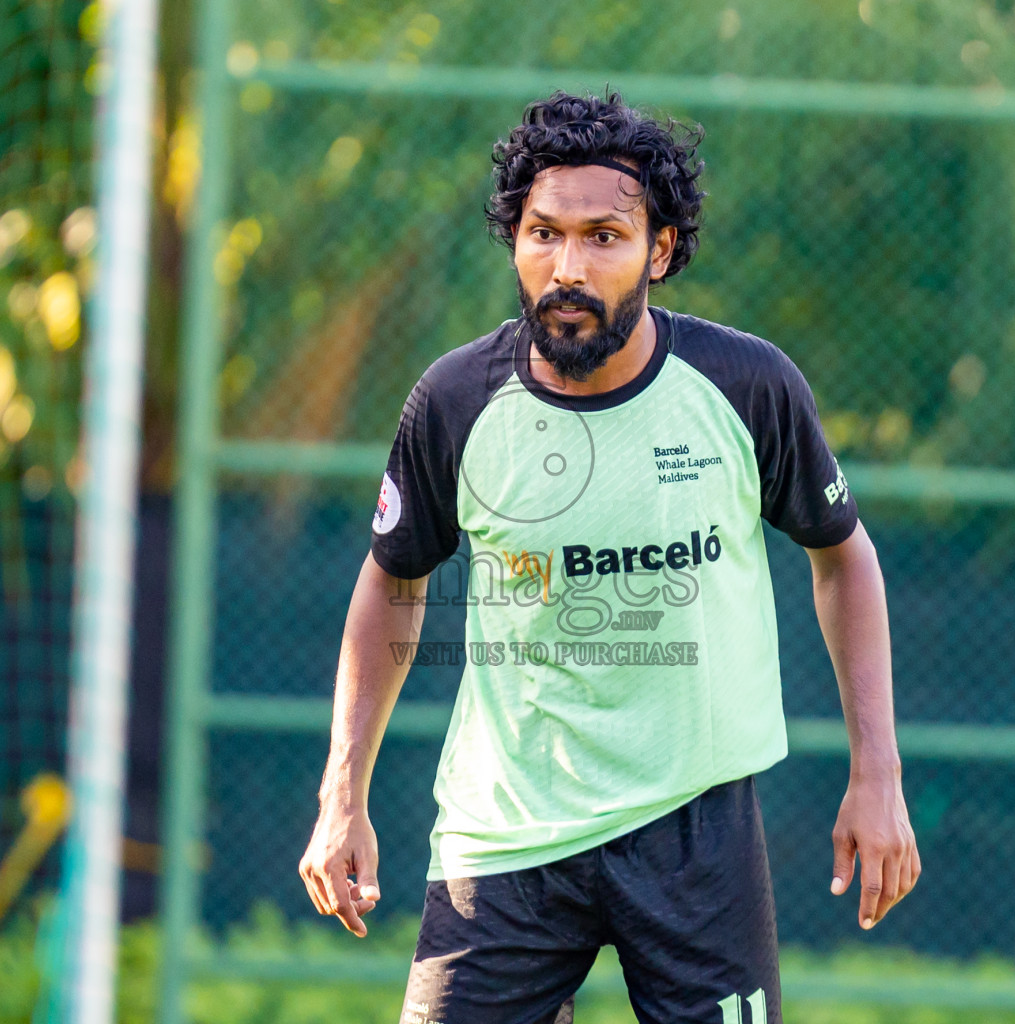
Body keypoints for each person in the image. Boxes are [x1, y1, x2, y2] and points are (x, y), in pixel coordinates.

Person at [300, 91, 920, 1023]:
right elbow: (393, 580)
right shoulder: (457, 400)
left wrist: (878, 773)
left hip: (697, 833)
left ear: (659, 251)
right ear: (515, 241)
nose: (569, 268)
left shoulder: (746, 386)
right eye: (544, 234)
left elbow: (845, 560)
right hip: (505, 834)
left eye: (604, 237)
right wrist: (341, 794)